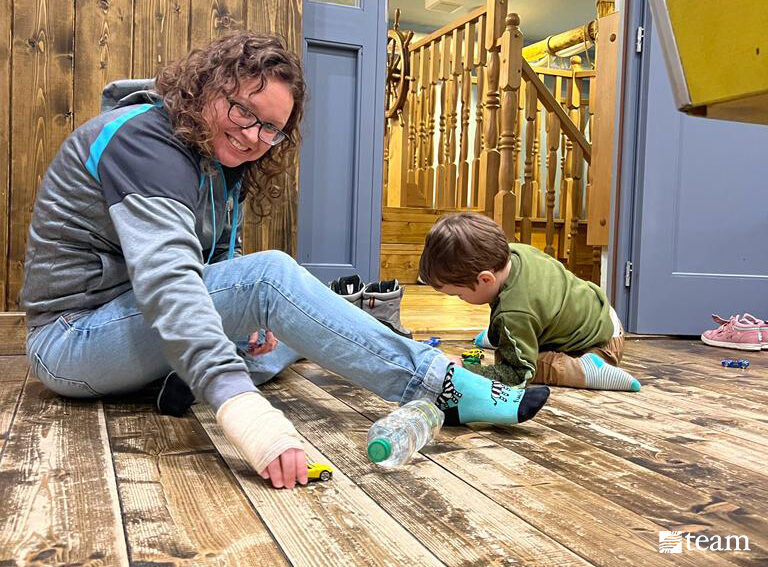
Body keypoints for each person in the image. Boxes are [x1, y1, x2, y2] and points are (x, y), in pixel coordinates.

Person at [21, 32, 551, 491]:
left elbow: (213, 265)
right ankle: (444, 386)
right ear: (206, 88)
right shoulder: (143, 142)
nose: (255, 136)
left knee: (291, 328)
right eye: (244, 112)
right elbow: (169, 284)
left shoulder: (218, 163)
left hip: (134, 329)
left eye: (270, 128)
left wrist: (245, 327)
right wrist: (248, 416)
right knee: (271, 279)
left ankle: (185, 374)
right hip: (72, 341)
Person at [419, 212, 642, 393]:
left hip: (601, 346)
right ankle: (503, 336)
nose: (461, 300)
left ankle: (587, 370)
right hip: (603, 313)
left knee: (537, 366)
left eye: (459, 294)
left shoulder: (514, 313)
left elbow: (517, 376)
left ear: (486, 278)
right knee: (514, 328)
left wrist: (463, 369)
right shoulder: (515, 253)